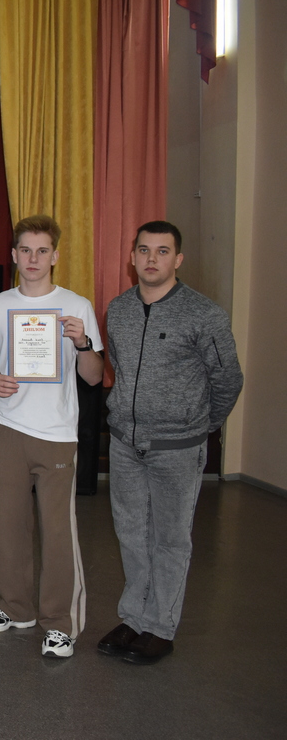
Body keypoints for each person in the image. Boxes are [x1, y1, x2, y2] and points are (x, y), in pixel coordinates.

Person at [97, 221, 243, 665]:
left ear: (177, 259)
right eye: (144, 250)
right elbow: (119, 367)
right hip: (125, 443)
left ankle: (160, 627)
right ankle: (134, 618)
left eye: (162, 251)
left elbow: (228, 380)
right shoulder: (119, 309)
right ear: (132, 258)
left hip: (178, 448)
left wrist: (198, 426)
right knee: (131, 534)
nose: (151, 259)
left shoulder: (204, 315)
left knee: (170, 540)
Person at [0, 214, 103, 658]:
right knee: (7, 526)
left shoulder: (76, 306)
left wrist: (83, 344)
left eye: (42, 251)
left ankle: (59, 624)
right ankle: (14, 608)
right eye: (25, 250)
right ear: (14, 255)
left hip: (56, 434)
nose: (33, 259)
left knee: (57, 532)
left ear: (55, 256)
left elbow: (94, 377)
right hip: (7, 428)